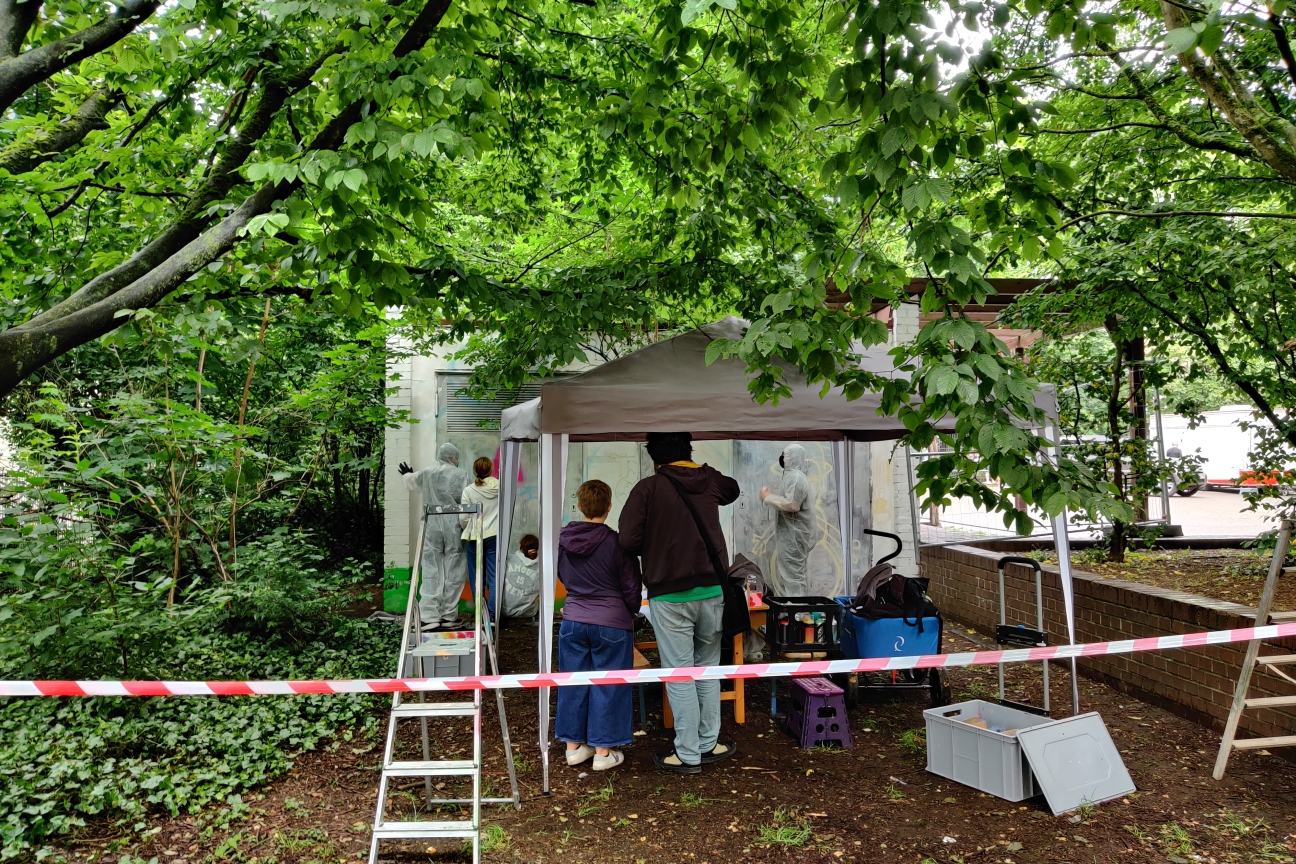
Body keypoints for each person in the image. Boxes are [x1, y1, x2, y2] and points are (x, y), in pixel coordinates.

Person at [619, 431, 740, 774]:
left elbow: (627, 538)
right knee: (707, 668)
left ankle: (688, 753)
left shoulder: (648, 489)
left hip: (669, 595)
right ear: (688, 451)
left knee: (680, 673)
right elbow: (732, 488)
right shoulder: (709, 481)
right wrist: (700, 469)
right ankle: (707, 743)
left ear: (655, 458)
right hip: (713, 593)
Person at [556, 480, 642, 772]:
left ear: (579, 506)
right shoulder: (618, 543)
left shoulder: (564, 540)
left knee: (573, 682)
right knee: (608, 685)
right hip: (612, 623)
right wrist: (629, 612)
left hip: (573, 619)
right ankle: (604, 752)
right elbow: (631, 587)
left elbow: (563, 578)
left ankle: (574, 748)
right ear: (609, 507)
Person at [399, 443, 469, 631]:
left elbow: (412, 481)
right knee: (455, 566)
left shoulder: (428, 473)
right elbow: (466, 498)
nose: (457, 459)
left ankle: (429, 616)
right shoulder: (461, 474)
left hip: (431, 522)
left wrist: (407, 474)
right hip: (454, 523)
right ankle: (448, 615)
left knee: (431, 566)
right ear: (452, 457)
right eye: (456, 456)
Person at [759, 443, 815, 597]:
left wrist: (768, 497)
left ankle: (797, 613)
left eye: (785, 455)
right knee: (793, 576)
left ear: (793, 457)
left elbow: (793, 505)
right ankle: (798, 612)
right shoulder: (791, 477)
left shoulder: (796, 478)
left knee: (794, 578)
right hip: (791, 536)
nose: (782, 458)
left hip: (795, 537)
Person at [460, 457, 500, 619]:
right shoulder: (499, 487)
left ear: (475, 471)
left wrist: (467, 528)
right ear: (490, 470)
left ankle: (479, 615)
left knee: (476, 575)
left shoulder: (469, 490)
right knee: (493, 575)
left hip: (475, 535)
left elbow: (463, 517)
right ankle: (492, 615)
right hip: (494, 534)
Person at [502, 534, 541, 618]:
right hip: (525, 612)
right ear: (537, 549)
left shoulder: (508, 559)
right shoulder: (541, 567)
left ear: (521, 545)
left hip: (502, 609)